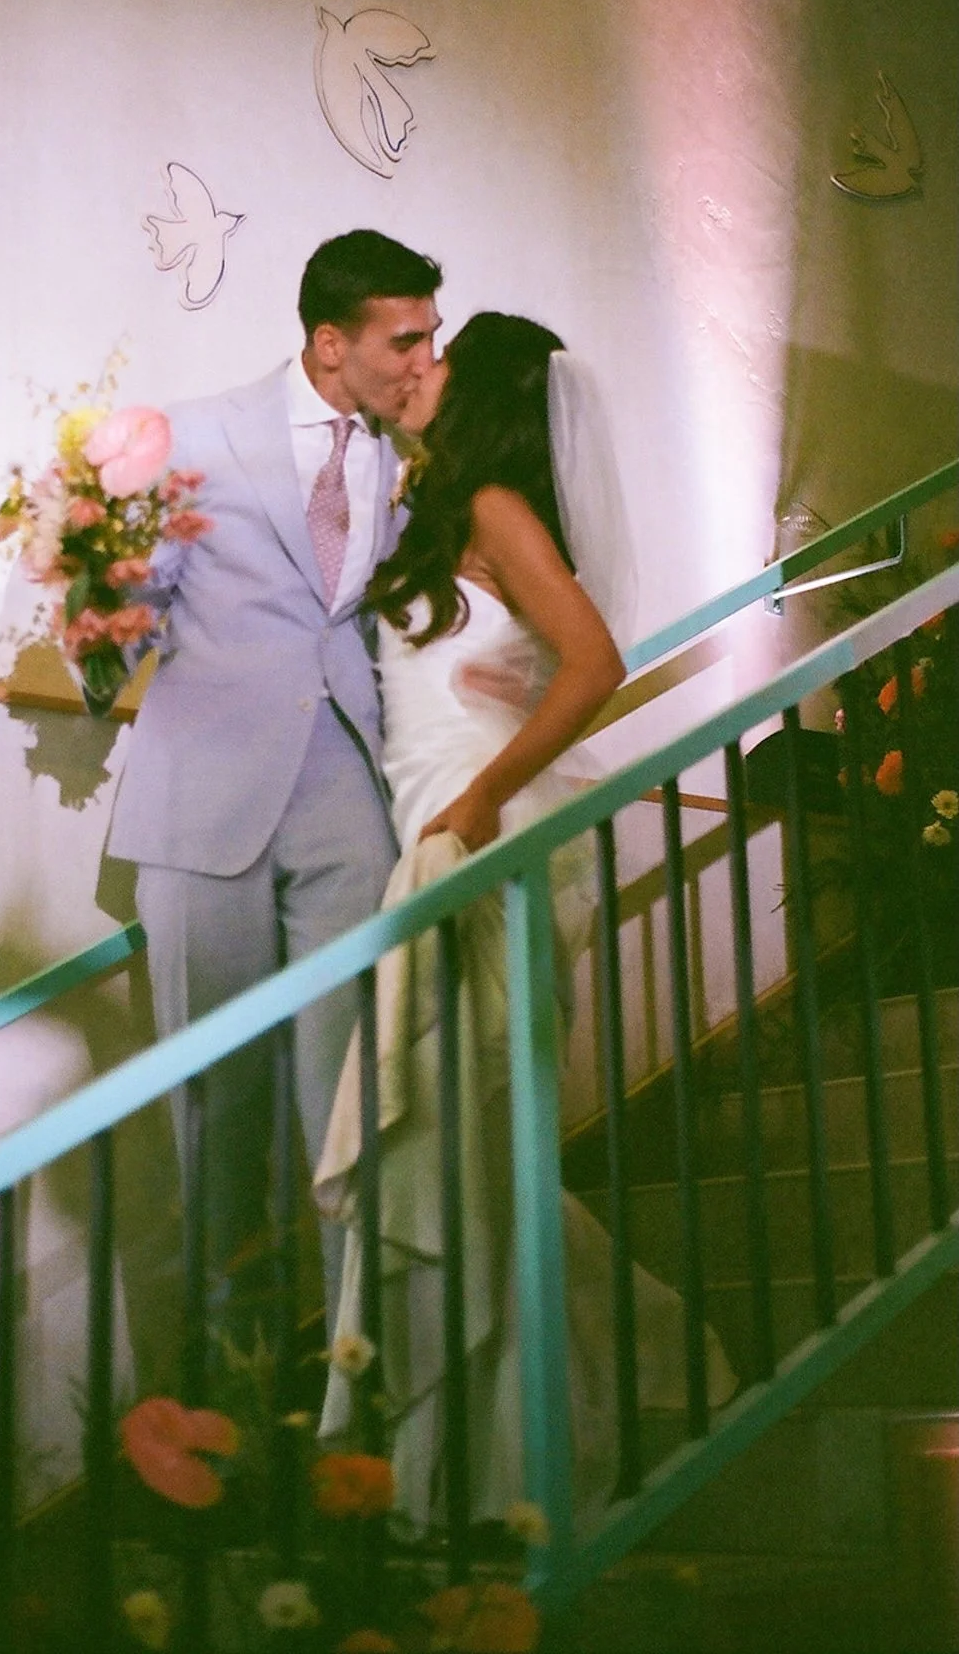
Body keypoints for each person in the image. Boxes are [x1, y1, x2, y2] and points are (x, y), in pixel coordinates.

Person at [314, 313, 736, 1523]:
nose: (419, 369)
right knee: (458, 1166)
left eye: (441, 357)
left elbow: (595, 659)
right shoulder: (439, 510)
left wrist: (489, 790)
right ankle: (467, 1453)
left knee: (464, 1153)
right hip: (432, 826)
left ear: (485, 388)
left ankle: (483, 1471)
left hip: (477, 843)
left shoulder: (498, 504)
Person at [106, 228, 442, 1341]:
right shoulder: (189, 434)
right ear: (330, 341)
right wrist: (87, 600)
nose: (422, 360)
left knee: (355, 1107)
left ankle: (367, 1386)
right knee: (215, 1115)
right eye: (405, 338)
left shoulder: (417, 458)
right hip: (203, 804)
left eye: (429, 335)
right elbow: (117, 618)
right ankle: (231, 1399)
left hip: (352, 798)